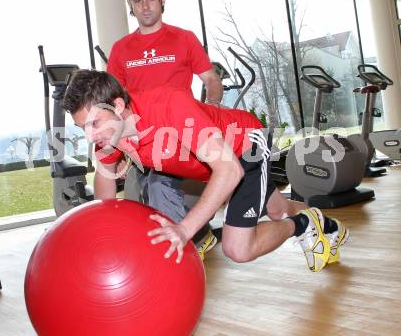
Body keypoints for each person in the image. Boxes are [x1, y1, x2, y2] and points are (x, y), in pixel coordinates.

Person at [63, 70, 349, 272]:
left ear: (118, 106)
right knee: (277, 210)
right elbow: (105, 194)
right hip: (212, 168)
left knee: (239, 248)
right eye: (82, 128)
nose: (90, 136)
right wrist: (104, 243)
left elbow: (229, 171)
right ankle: (324, 224)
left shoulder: (168, 107)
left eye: (95, 124)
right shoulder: (109, 136)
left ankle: (304, 225)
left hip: (243, 146)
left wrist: (185, 230)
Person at [106, 0, 223, 258]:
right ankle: (199, 235)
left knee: (159, 186)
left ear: (162, 1)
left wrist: (213, 109)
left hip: (179, 134)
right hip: (141, 139)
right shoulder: (121, 49)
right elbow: (113, 100)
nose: (145, 6)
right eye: (138, 0)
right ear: (131, 6)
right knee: (140, 200)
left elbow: (211, 80)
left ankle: (180, 258)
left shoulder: (184, 38)